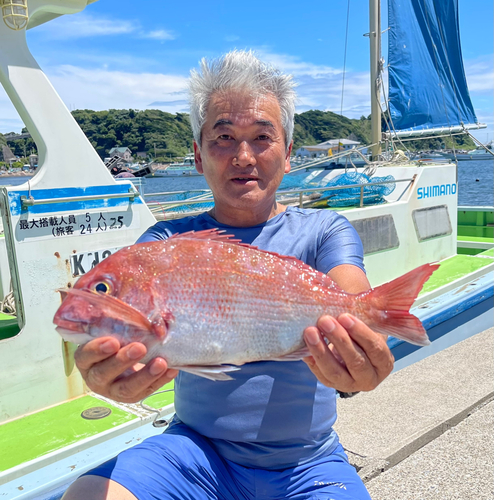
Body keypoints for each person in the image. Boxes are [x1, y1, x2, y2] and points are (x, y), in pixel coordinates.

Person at [63, 50, 394, 500]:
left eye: (262, 136)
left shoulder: (324, 229)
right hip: (195, 453)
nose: (243, 156)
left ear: (289, 154)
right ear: (198, 156)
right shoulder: (164, 241)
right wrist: (108, 378)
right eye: (223, 137)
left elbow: (352, 292)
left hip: (309, 463)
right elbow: (134, 337)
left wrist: (363, 338)